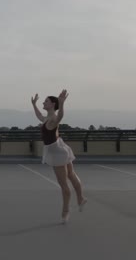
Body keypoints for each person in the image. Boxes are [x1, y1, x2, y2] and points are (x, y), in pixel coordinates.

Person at [31, 89, 87, 224]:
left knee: (64, 185)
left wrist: (62, 104)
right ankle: (80, 198)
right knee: (71, 175)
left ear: (52, 105)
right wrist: (34, 105)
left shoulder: (53, 120)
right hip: (60, 148)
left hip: (57, 152)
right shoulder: (47, 119)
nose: (43, 102)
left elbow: (60, 117)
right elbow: (39, 116)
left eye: (46, 101)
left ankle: (66, 211)